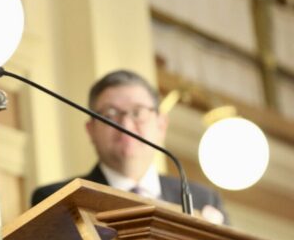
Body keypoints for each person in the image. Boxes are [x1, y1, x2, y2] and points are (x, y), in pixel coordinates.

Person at [31, 70, 228, 225]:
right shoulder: (58, 200)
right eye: (110, 114)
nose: (125, 125)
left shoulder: (203, 199)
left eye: (137, 112)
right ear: (91, 130)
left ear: (161, 125)